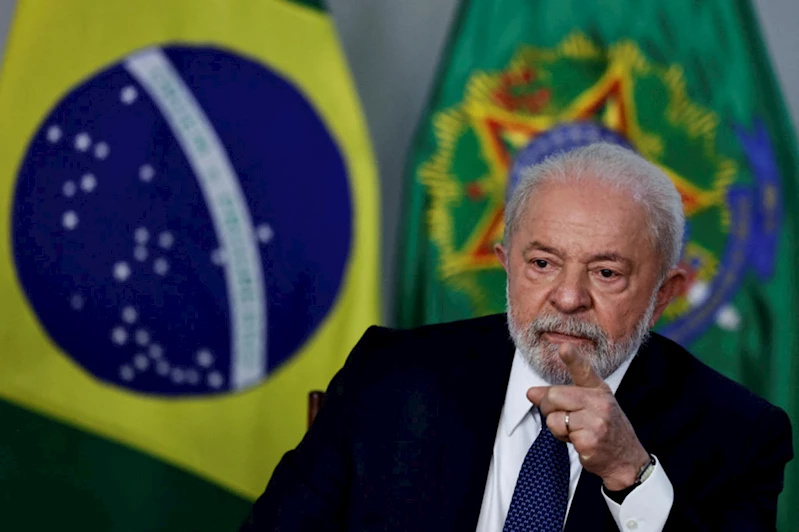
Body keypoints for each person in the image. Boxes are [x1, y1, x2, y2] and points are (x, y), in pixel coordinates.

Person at [241, 143, 792, 531]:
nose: (568, 298)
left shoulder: (738, 434)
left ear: (664, 293)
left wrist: (631, 475)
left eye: (606, 273)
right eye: (543, 263)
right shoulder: (390, 377)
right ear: (507, 264)